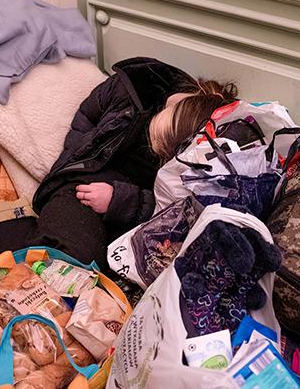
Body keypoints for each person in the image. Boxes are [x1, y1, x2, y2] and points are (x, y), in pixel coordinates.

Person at [31, 57, 237, 268]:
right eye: (155, 141)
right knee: (70, 252)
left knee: (113, 264)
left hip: (130, 205)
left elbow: (170, 208)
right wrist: (78, 156)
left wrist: (121, 201)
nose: (154, 150)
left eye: (163, 153)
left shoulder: (206, 148)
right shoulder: (133, 86)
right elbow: (86, 118)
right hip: (86, 181)